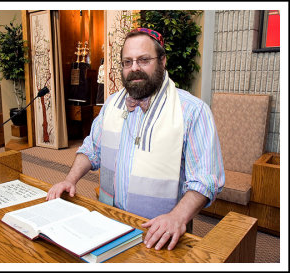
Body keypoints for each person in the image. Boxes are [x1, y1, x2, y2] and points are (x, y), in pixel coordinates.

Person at [47, 28, 225, 251]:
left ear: (162, 61)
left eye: (144, 60)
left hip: (161, 233)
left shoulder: (192, 111)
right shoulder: (112, 104)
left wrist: (177, 217)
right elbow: (93, 149)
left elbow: (205, 179)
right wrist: (69, 180)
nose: (134, 68)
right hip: (109, 222)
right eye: (127, 62)